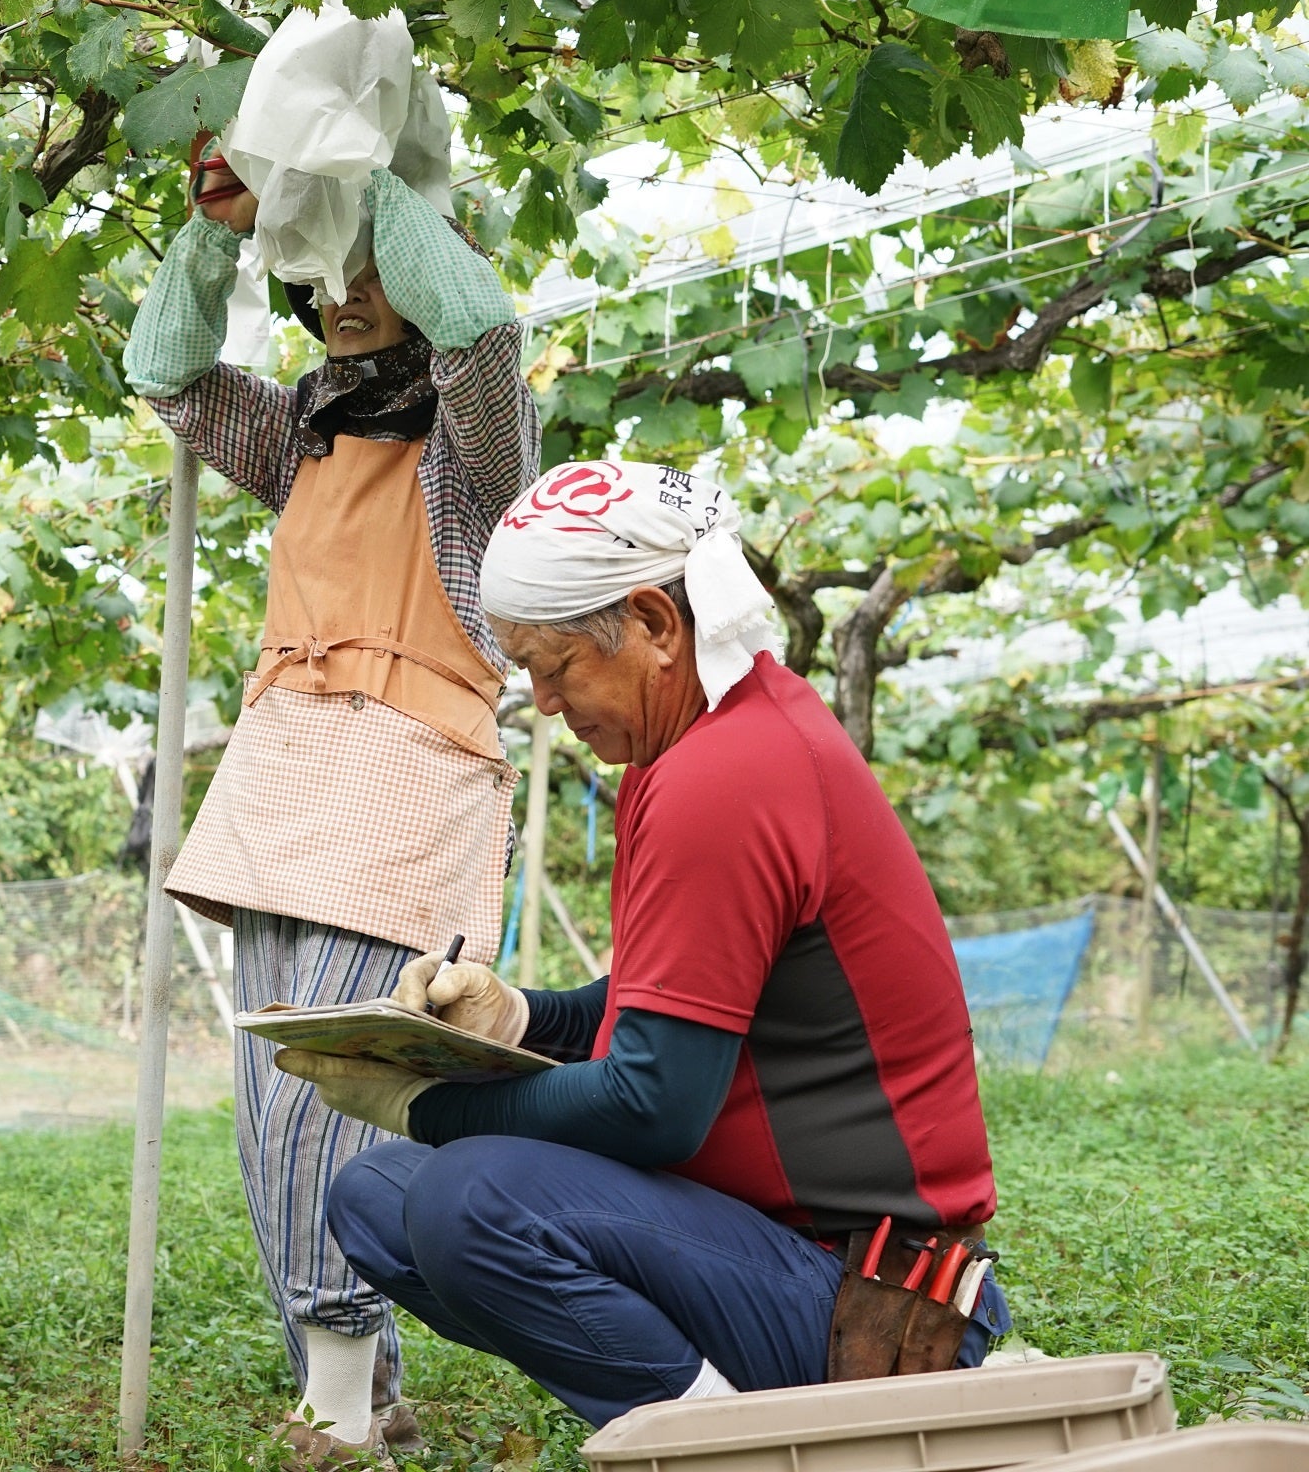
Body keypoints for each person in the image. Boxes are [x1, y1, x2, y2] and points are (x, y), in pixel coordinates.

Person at [277, 461, 1013, 1432]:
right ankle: (715, 1408)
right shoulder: (726, 735)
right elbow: (672, 1000)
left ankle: (729, 1449)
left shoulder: (724, 776)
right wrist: (524, 1016)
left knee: (468, 1199)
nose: (541, 701)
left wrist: (432, 1105)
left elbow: (655, 1104)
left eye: (555, 665)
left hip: (877, 1297)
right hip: (789, 1254)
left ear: (657, 626)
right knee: (376, 1195)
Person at [124, 152, 539, 1463]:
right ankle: (363, 1388)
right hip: (287, 773)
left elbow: (480, 326)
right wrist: (216, 229)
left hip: (403, 772)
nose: (344, 294)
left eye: (367, 273)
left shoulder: (476, 445)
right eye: (319, 278)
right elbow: (165, 373)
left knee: (330, 1089)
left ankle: (341, 1406)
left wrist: (356, 187)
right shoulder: (304, 431)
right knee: (268, 1103)